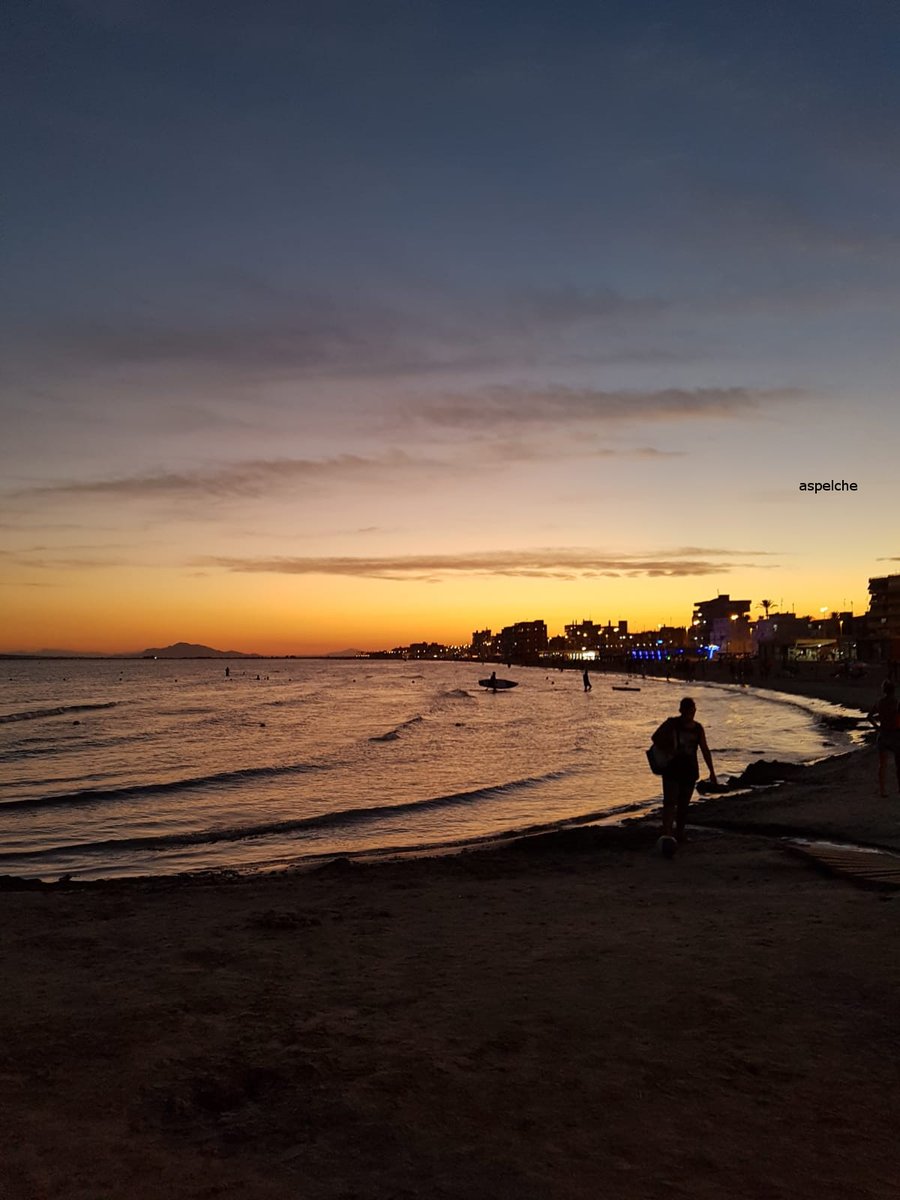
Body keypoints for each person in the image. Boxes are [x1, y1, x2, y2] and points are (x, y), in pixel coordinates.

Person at [651, 697, 717, 850]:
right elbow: (655, 738)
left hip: (689, 771)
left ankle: (679, 833)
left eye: (692, 710)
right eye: (687, 710)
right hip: (671, 770)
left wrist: (712, 772)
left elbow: (705, 750)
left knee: (683, 805)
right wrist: (669, 749)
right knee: (669, 803)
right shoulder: (671, 723)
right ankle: (667, 833)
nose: (690, 714)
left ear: (694, 710)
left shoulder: (698, 728)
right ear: (681, 710)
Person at [867, 680, 900, 798]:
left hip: (883, 734)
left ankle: (882, 790)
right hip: (895, 734)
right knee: (898, 764)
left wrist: (877, 728)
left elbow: (869, 717)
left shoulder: (879, 703)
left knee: (882, 764)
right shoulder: (896, 703)